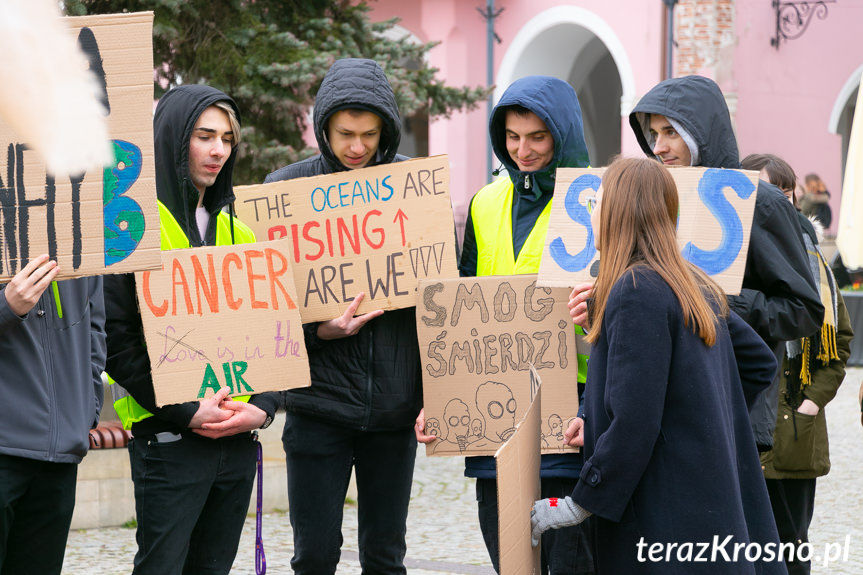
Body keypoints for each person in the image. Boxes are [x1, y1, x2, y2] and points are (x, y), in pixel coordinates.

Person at [530, 157, 785, 573]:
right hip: (702, 507)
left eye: (597, 203)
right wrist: (591, 415)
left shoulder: (634, 290)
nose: (591, 213)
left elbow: (636, 419)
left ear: (616, 213)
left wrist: (582, 500)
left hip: (663, 521)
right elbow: (758, 363)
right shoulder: (689, 281)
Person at [417, 75, 594, 574]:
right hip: (494, 414)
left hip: (572, 415)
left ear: (563, 135)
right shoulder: (483, 202)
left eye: (537, 137)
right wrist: (438, 403)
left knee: (570, 562)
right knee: (508, 559)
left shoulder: (595, 199)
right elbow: (458, 309)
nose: (523, 150)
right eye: (513, 137)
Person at [103, 84, 280, 575]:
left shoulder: (238, 231)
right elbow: (115, 339)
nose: (219, 150)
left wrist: (262, 409)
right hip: (169, 440)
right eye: (205, 136)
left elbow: (270, 336)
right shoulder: (131, 225)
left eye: (227, 138)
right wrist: (185, 410)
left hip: (236, 442)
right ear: (175, 138)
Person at [263, 58, 422, 575]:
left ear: (386, 131)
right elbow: (265, 312)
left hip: (394, 412)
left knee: (385, 557)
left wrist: (435, 396)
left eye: (370, 134)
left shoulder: (413, 189)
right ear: (323, 127)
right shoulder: (286, 190)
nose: (357, 147)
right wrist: (320, 330)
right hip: (318, 409)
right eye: (345, 133)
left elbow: (442, 301)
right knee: (313, 557)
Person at [616, 75, 824, 451]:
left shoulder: (762, 204)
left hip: (732, 407)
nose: (658, 146)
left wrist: (721, 300)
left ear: (700, 132)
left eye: (670, 132)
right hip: (661, 402)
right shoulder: (654, 201)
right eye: (653, 134)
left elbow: (802, 311)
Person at [742, 153, 853, 575]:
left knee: (789, 547)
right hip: (746, 430)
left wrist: (808, 404)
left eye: (780, 192)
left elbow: (839, 344)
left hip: (792, 432)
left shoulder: (814, 263)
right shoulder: (734, 261)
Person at [0, 259, 105, 574]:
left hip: (60, 455)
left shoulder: (78, 232)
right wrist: (6, 306)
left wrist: (86, 408)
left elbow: (95, 328)